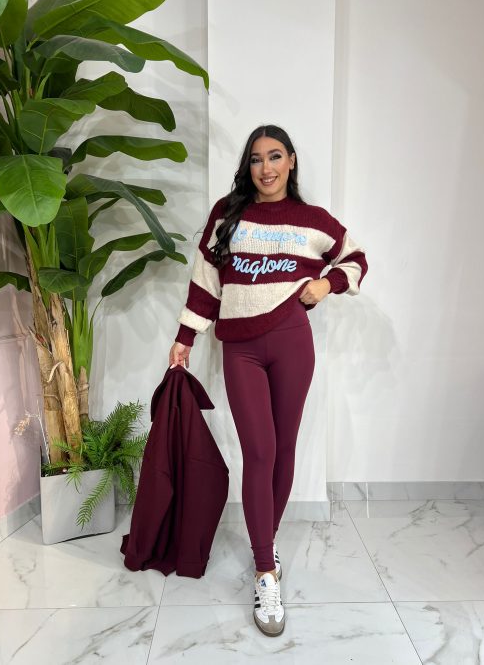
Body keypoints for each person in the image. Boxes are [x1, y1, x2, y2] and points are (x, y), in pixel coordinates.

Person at [168, 124, 368, 636]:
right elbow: (205, 282)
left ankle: (266, 543)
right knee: (259, 451)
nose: (266, 168)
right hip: (240, 348)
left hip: (292, 343)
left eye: (275, 156)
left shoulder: (312, 220)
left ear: (291, 161)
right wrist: (186, 337)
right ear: (248, 167)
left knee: (283, 450)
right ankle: (265, 572)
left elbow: (356, 258)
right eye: (256, 159)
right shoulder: (227, 214)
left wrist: (327, 283)